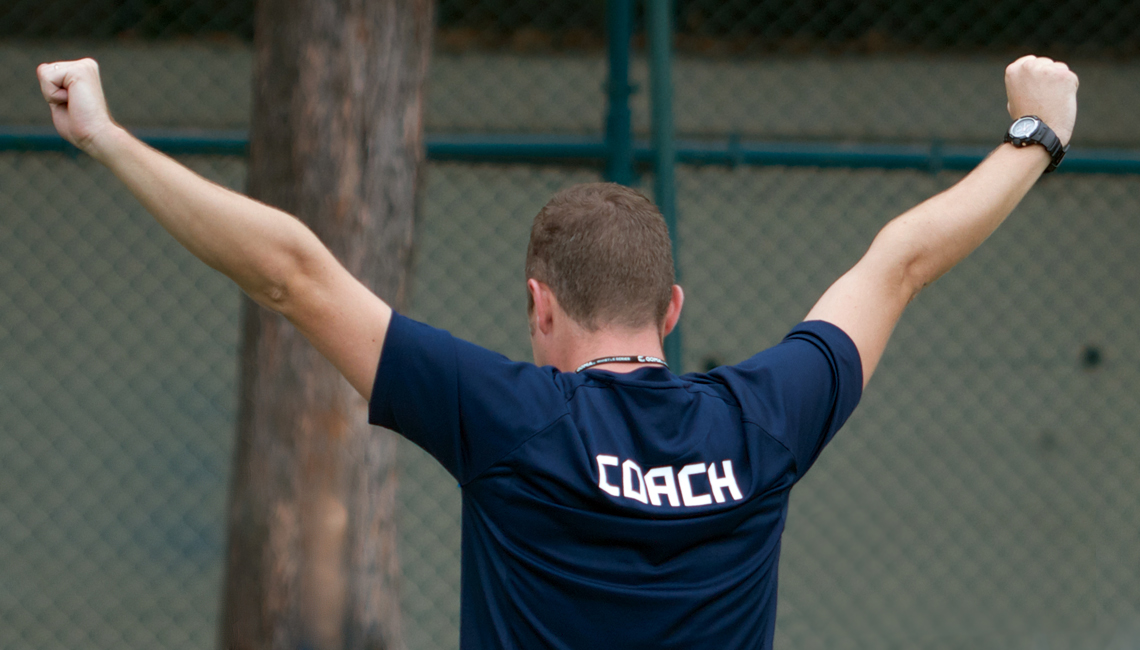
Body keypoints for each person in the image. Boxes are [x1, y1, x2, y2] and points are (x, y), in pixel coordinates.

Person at [37, 54, 1078, 648]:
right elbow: (899, 260)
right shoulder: (760, 420)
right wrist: (1037, 135)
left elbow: (293, 271)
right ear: (670, 306)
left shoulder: (506, 416)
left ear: (538, 307)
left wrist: (109, 137)